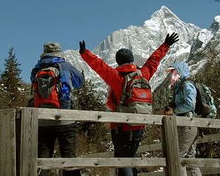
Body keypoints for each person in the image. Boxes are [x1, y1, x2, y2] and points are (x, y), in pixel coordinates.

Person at [79, 33, 179, 176]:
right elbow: (153, 61)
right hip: (139, 123)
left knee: (123, 159)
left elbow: (99, 66)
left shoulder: (116, 77)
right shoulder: (142, 74)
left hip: (121, 126)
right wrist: (166, 45)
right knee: (129, 158)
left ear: (118, 62)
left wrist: (85, 53)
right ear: (132, 60)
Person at [31, 42, 84, 176]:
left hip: (43, 119)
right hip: (65, 119)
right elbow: (80, 82)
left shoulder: (37, 68)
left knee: (43, 158)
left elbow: (33, 83)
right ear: (59, 51)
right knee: (68, 157)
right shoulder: (65, 66)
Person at [164, 61, 202, 176]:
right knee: (190, 159)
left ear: (179, 72)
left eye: (173, 72)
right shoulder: (180, 87)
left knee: (178, 157)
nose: (171, 74)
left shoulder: (186, 85)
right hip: (189, 124)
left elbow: (190, 105)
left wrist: (174, 110)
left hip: (187, 124)